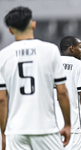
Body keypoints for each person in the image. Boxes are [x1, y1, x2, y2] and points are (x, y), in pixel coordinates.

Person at [0, 6, 71, 150]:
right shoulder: (50, 50)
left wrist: (4, 134)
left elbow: (2, 99)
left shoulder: (3, 56)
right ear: (33, 24)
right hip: (45, 129)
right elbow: (62, 92)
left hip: (16, 131)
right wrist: (68, 124)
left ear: (11, 30)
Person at [54, 36, 81, 150]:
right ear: (72, 48)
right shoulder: (79, 65)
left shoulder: (51, 64)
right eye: (80, 47)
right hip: (73, 129)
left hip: (51, 128)